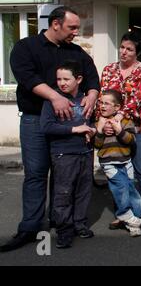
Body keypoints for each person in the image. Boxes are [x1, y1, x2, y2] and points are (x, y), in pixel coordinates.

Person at [0, 6, 100, 252]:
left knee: (64, 176)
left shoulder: (77, 52)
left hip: (70, 124)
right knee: (35, 174)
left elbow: (92, 78)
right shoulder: (26, 47)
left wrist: (92, 96)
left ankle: (62, 222)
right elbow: (26, 76)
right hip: (35, 120)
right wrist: (55, 97)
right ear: (55, 24)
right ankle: (30, 227)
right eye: (72, 27)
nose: (76, 32)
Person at [99, 31, 141, 230]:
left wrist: (119, 117)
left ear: (137, 52)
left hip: (136, 126)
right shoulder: (109, 69)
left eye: (129, 49)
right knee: (119, 173)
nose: (124, 52)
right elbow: (105, 97)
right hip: (113, 127)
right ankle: (123, 213)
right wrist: (104, 122)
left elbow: (138, 97)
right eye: (122, 47)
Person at [40, 61, 96, 248]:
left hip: (85, 152)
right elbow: (46, 126)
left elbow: (92, 122)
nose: (61, 83)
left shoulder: (86, 100)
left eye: (66, 79)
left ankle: (79, 224)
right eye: (58, 79)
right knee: (63, 193)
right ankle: (64, 230)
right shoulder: (52, 101)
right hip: (63, 154)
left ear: (78, 79)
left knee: (83, 191)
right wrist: (75, 129)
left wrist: (92, 130)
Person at [94, 89, 141, 237]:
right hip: (109, 163)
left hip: (125, 161)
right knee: (120, 189)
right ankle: (127, 216)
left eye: (106, 103)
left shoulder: (125, 121)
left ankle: (136, 220)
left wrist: (119, 130)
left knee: (131, 190)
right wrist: (101, 130)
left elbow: (131, 140)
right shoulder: (99, 122)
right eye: (100, 102)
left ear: (117, 108)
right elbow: (96, 144)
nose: (102, 106)